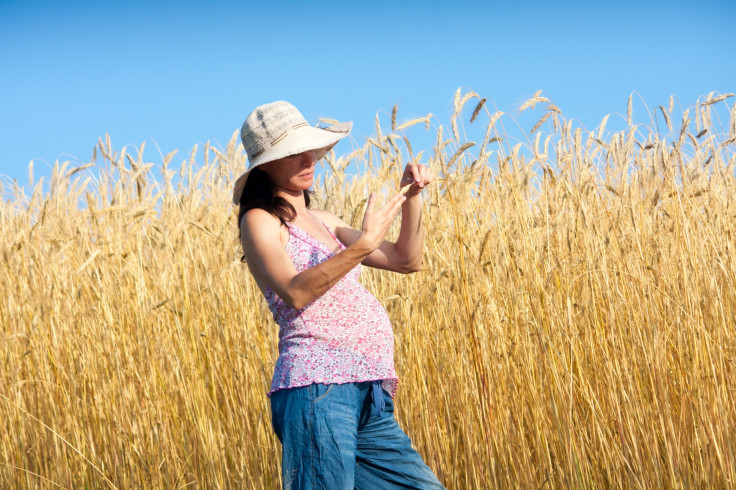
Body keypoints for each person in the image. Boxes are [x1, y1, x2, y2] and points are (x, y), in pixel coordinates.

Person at [234, 101, 444, 489]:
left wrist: (411, 197)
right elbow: (296, 292)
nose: (307, 156)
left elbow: (406, 260)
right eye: (291, 152)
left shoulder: (326, 221)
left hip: (369, 390)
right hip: (318, 389)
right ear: (264, 165)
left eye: (308, 147)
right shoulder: (260, 220)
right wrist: (362, 245)